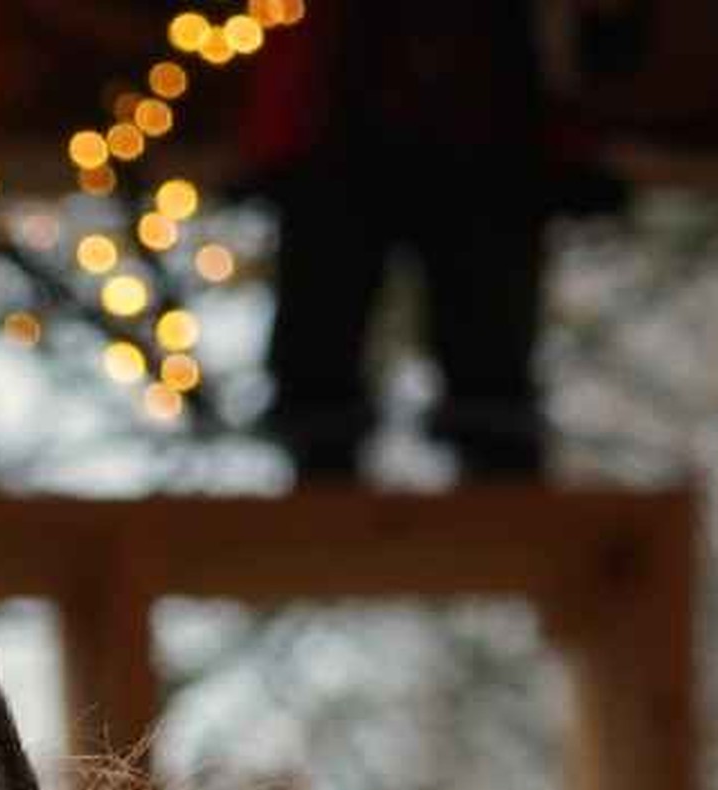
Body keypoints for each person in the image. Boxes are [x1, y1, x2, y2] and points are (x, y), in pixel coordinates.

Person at [247, 0, 645, 480]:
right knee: (324, 359)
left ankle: (494, 475)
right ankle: (325, 475)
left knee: (489, 369)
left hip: (481, 150)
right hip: (357, 147)